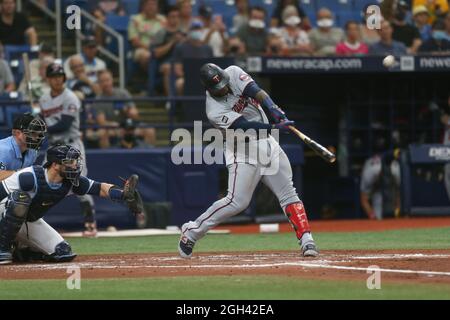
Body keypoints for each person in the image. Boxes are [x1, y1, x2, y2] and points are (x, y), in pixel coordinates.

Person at [178, 63, 319, 259]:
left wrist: (273, 107)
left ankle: (306, 239)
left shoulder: (233, 72)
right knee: (237, 202)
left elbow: (255, 90)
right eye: (219, 88)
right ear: (208, 89)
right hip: (241, 150)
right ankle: (192, 232)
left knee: (288, 192)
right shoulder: (214, 110)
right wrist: (277, 128)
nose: (225, 89)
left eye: (224, 84)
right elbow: (244, 127)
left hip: (267, 143)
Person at [0, 144, 143, 264]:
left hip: (28, 220)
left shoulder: (71, 182)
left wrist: (124, 195)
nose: (75, 165)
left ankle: (22, 251)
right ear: (55, 165)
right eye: (70, 161)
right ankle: (3, 249)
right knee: (20, 199)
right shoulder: (29, 177)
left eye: (75, 161)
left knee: (62, 252)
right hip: (4, 215)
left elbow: (100, 188)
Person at [38, 63, 98, 238]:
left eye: (60, 76)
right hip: (53, 148)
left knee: (78, 182)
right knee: (41, 182)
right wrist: (38, 117)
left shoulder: (70, 97)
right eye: (54, 76)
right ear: (48, 79)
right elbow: (42, 122)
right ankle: (32, 222)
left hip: (71, 146)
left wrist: (43, 127)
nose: (57, 79)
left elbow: (64, 124)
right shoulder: (43, 99)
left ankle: (90, 223)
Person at [94, 69, 156, 148]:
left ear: (112, 80)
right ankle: (107, 159)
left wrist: (126, 110)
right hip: (113, 128)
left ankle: (150, 157)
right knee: (102, 133)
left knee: (149, 130)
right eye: (102, 81)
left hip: (129, 126)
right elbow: (101, 122)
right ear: (99, 83)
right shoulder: (98, 100)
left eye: (107, 80)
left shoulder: (123, 93)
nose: (106, 83)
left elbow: (135, 116)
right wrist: (115, 125)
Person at [0, 113, 46, 181]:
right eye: (32, 133)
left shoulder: (32, 151)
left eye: (39, 135)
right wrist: (22, 173)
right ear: (17, 133)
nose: (36, 138)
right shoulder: (3, 149)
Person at [151, 5, 185, 96]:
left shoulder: (184, 32)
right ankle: (171, 101)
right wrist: (172, 42)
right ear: (167, 18)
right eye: (172, 17)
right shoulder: (161, 33)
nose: (175, 19)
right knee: (168, 68)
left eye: (177, 17)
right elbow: (156, 53)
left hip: (182, 63)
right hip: (165, 63)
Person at [172, 20, 213, 95]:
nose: (196, 31)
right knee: (179, 83)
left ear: (202, 31)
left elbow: (212, 68)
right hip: (186, 78)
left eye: (198, 29)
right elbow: (177, 70)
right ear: (189, 31)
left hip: (205, 78)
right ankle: (183, 105)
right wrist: (191, 78)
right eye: (194, 29)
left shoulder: (208, 48)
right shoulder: (180, 48)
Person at [360, 150, 401, 220]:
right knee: (378, 200)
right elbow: (363, 199)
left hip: (392, 182)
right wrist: (372, 216)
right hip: (376, 189)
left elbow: (399, 194)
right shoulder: (369, 174)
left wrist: (397, 213)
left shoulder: (396, 171)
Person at [128, 0, 166, 68]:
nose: (151, 7)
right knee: (147, 56)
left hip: (161, 49)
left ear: (157, 6)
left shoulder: (163, 19)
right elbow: (135, 42)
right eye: (149, 4)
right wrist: (151, 49)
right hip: (142, 49)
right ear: (143, 6)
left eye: (154, 4)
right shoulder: (135, 20)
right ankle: (150, 76)